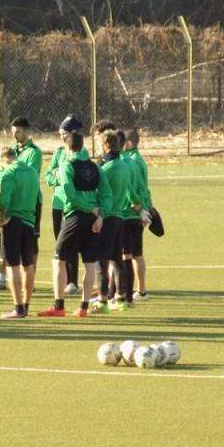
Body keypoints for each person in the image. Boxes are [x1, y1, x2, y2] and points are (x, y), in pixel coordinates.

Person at [38, 129, 111, 318]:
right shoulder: (96, 167)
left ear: (68, 148)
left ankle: (59, 306)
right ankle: (84, 308)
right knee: (89, 263)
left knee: (58, 260)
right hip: (94, 221)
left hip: (75, 217)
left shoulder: (66, 166)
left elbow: (70, 194)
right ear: (83, 146)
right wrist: (100, 215)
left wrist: (89, 209)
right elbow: (106, 194)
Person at [0, 117, 42, 291]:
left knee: (31, 241)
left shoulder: (34, 152)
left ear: (26, 131)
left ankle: (30, 278)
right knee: (5, 238)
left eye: (17, 131)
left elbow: (28, 172)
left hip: (30, 200)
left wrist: (5, 165)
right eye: (12, 132)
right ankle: (2, 277)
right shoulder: (12, 150)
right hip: (12, 199)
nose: (14, 135)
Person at [90, 130, 140, 313]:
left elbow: (97, 191)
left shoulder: (105, 169)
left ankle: (102, 301)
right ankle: (121, 298)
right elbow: (130, 191)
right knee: (117, 259)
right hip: (120, 217)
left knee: (101, 260)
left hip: (107, 217)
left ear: (106, 145)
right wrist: (141, 206)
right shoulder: (125, 166)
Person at [0, 147, 40, 319]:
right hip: (29, 222)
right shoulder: (32, 172)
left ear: (4, 159)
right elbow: (38, 198)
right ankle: (27, 305)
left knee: (12, 265)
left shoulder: (9, 173)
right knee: (28, 266)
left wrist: (3, 217)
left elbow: (4, 200)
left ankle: (18, 308)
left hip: (13, 221)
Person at [45, 115, 82, 295]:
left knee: (71, 243)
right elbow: (48, 176)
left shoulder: (81, 153)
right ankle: (65, 279)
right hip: (58, 203)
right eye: (60, 134)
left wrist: (62, 175)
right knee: (60, 243)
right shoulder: (58, 153)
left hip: (73, 204)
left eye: (65, 134)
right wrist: (58, 177)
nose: (62, 137)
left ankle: (73, 282)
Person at [123, 128, 152, 302]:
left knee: (128, 255)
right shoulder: (138, 160)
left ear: (129, 144)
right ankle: (140, 291)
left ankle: (127, 291)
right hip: (138, 210)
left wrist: (142, 208)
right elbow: (144, 187)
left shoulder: (131, 161)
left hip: (130, 211)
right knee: (136, 254)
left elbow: (134, 188)